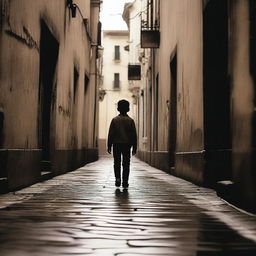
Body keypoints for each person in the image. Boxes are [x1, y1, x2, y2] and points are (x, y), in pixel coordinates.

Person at [107, 99, 137, 188]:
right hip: (127, 145)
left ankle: (117, 178)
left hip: (116, 144)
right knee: (126, 163)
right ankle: (125, 181)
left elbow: (111, 134)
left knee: (117, 162)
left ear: (118, 108)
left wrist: (109, 145)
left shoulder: (114, 120)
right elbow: (133, 135)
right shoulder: (130, 121)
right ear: (128, 109)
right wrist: (134, 147)